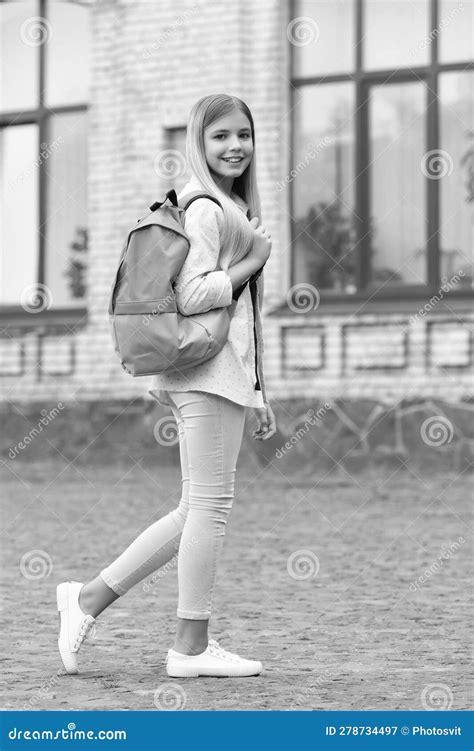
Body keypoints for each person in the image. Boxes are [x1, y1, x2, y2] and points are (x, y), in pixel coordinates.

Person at [56, 94, 277, 679]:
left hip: (217, 374)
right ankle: (190, 646)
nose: (235, 146)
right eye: (220, 136)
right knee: (210, 507)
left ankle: (88, 599)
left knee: (194, 508)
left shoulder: (226, 206)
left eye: (244, 134)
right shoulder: (208, 209)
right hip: (203, 371)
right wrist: (252, 257)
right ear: (198, 146)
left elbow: (244, 319)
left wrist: (258, 390)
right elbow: (194, 294)